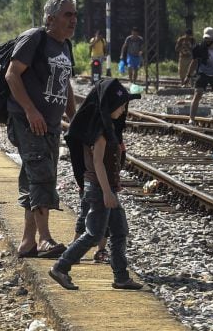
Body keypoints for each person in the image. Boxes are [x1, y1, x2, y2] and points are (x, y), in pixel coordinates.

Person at [49, 79, 143, 291]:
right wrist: (108, 193)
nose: (124, 109)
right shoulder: (100, 130)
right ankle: (60, 267)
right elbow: (98, 163)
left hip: (107, 189)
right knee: (93, 234)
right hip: (100, 189)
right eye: (121, 105)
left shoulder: (110, 127)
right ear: (110, 105)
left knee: (119, 232)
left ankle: (121, 277)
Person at [5, 0, 77, 259]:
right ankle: (45, 239)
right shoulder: (35, 39)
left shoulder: (65, 46)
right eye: (68, 15)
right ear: (50, 19)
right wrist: (30, 110)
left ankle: (27, 243)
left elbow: (65, 85)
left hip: (51, 124)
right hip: (28, 121)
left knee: (35, 177)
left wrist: (75, 119)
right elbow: (12, 74)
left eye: (75, 15)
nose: (73, 20)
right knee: (42, 176)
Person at [184, 27, 213, 123]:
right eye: (205, 39)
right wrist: (188, 76)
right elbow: (194, 62)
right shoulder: (199, 48)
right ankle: (191, 119)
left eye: (209, 39)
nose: (207, 41)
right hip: (203, 73)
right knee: (198, 93)